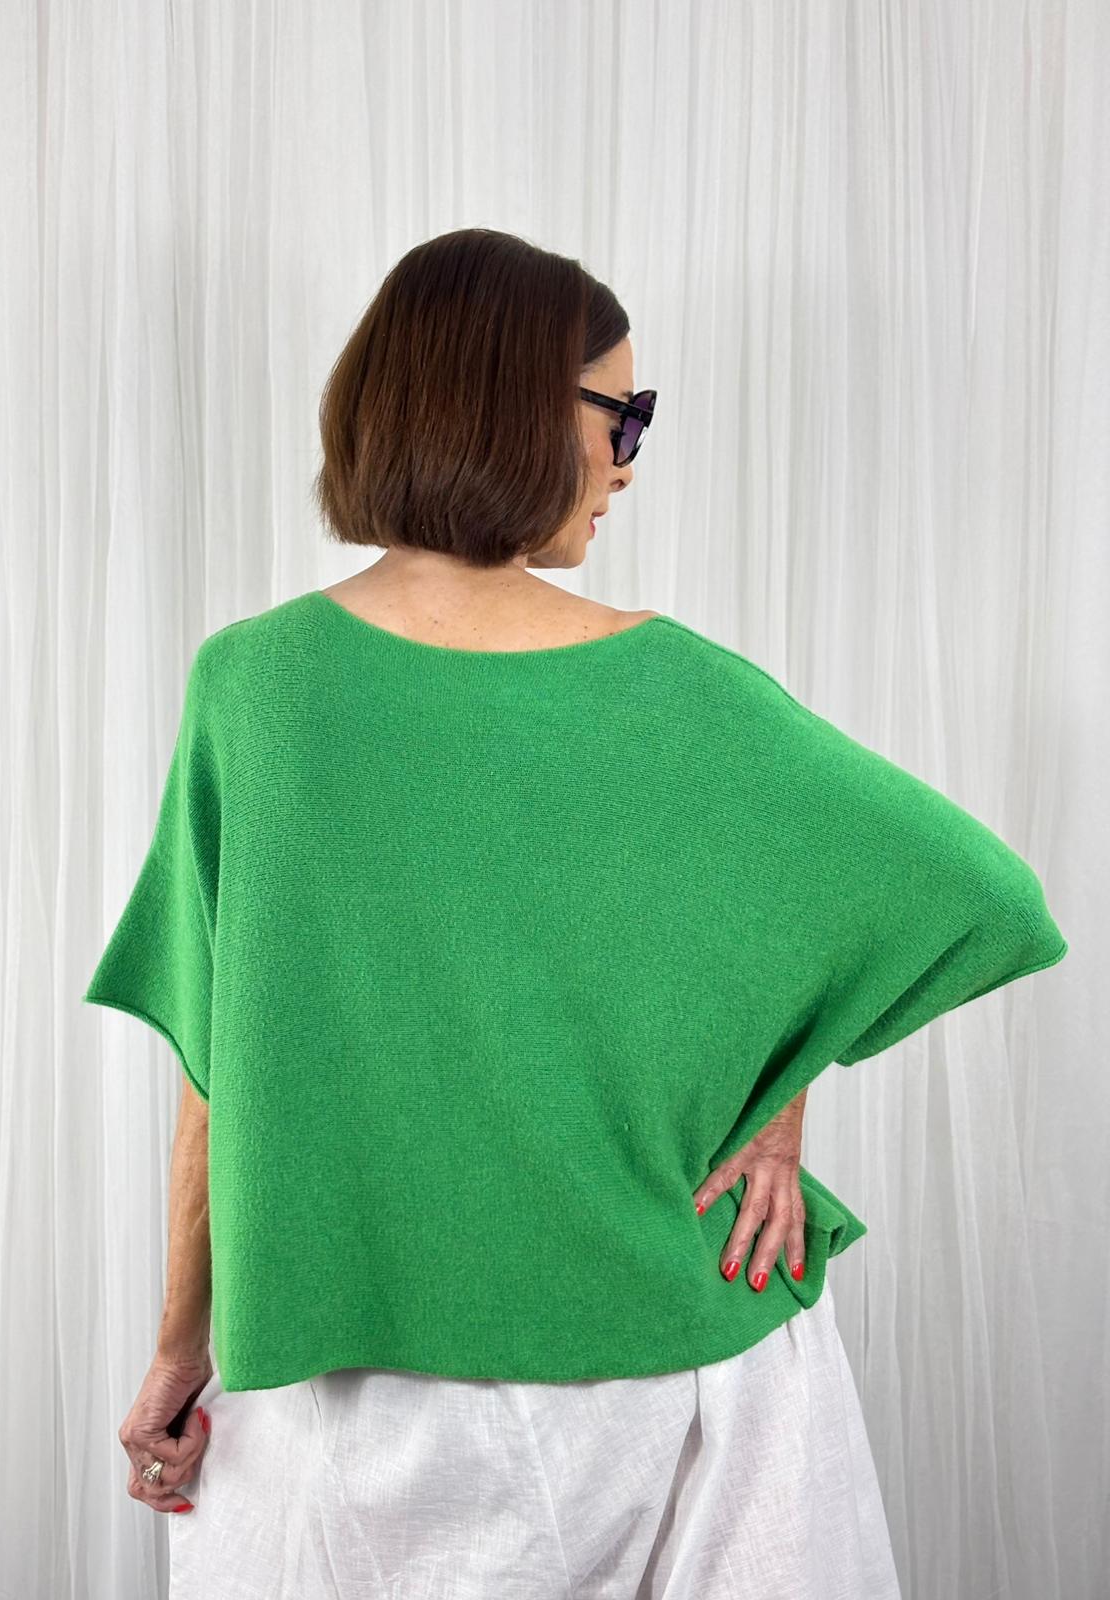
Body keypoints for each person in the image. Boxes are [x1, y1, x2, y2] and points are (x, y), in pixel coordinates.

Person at [84, 228, 1067, 1598]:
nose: (626, 465)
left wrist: (180, 1350)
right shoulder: (685, 693)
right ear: (516, 406)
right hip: (690, 1358)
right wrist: (777, 1097)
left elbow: (216, 1072)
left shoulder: (254, 690)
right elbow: (968, 894)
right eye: (626, 416)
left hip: (353, 1389)